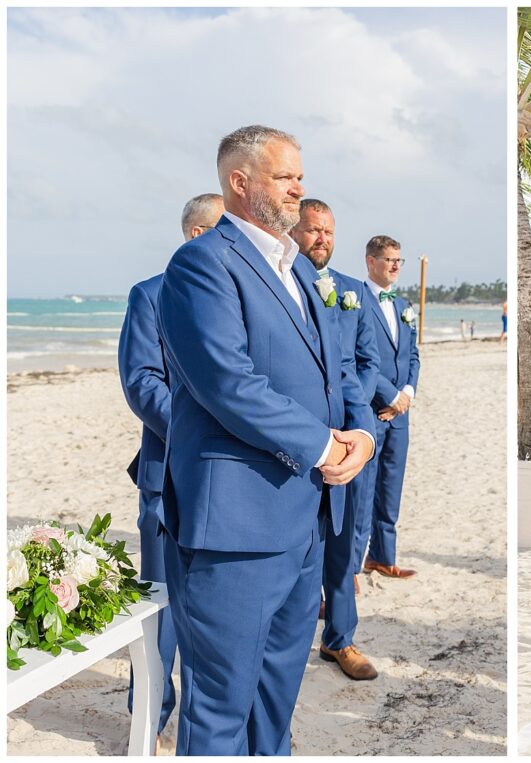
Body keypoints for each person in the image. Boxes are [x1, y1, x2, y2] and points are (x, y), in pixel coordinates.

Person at [156, 125, 376, 755]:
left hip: (307, 518)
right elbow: (228, 382)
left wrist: (359, 432)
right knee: (221, 701)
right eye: (285, 177)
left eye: (300, 176)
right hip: (238, 525)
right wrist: (324, 446)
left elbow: (338, 368)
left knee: (278, 694)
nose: (299, 188)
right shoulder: (202, 264)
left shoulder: (299, 271)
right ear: (240, 182)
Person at [118, 192, 223, 749]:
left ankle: (206, 727)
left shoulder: (239, 300)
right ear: (194, 234)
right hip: (167, 474)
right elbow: (141, 384)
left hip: (232, 485)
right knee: (159, 610)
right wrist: (203, 432)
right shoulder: (150, 296)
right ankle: (150, 718)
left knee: (214, 611)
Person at [290, 198, 381, 681]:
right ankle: (289, 643)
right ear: (293, 231)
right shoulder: (275, 287)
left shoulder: (351, 292)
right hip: (297, 441)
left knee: (344, 547)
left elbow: (363, 364)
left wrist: (358, 427)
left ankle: (340, 640)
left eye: (328, 231)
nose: (321, 238)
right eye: (312, 230)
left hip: (348, 441)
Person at [353, 235, 421, 580]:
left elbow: (413, 356)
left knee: (391, 488)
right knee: (363, 493)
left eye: (399, 260)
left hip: (400, 415)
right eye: (389, 259)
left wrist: (406, 392)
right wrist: (390, 397)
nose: (395, 266)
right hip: (372, 411)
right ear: (370, 261)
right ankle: (351, 567)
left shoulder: (404, 304)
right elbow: (356, 357)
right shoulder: (355, 300)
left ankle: (382, 556)